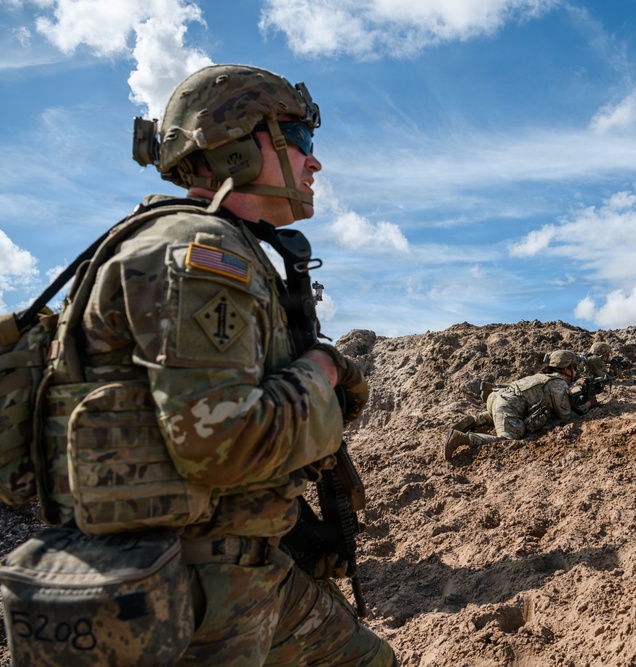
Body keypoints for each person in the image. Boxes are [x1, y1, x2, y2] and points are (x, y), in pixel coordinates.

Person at [30, 64, 395, 665]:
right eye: (301, 141)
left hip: (224, 566)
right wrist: (323, 372)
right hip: (184, 590)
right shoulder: (201, 256)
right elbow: (221, 439)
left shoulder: (224, 246)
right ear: (236, 150)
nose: (314, 163)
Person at [444, 349, 592, 460]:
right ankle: (461, 439)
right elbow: (566, 416)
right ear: (566, 368)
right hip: (508, 405)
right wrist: (588, 405)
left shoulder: (543, 376)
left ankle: (475, 420)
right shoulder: (558, 384)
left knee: (503, 415)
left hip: (497, 398)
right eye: (574, 367)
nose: (576, 371)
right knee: (509, 439)